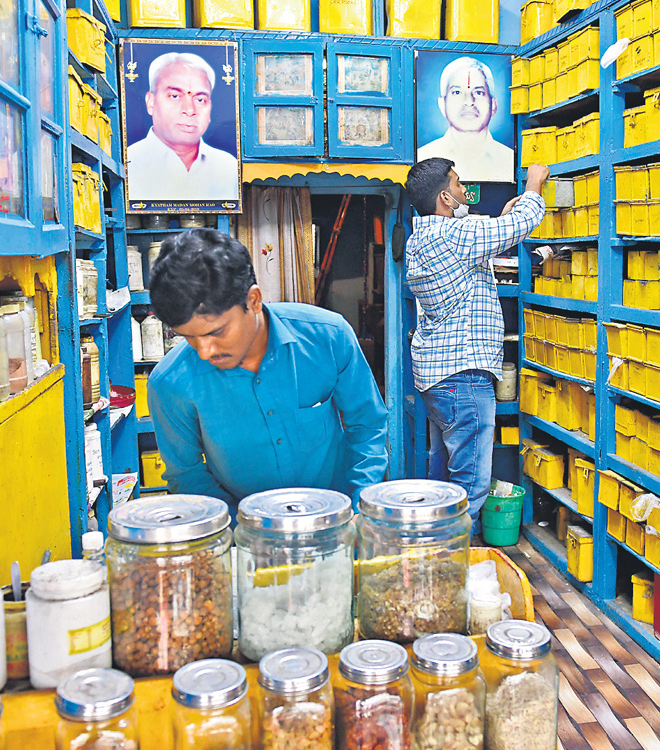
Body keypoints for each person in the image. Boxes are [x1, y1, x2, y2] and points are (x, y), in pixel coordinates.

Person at [147, 228, 389, 508]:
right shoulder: (170, 383)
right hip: (241, 535)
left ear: (253, 300)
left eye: (216, 332)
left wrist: (359, 504)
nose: (204, 351)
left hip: (337, 519)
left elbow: (368, 426)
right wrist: (245, 531)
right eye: (188, 336)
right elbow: (187, 475)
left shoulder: (328, 337)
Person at [404, 157, 550, 531]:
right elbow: (524, 223)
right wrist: (534, 184)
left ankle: (429, 552)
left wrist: (500, 219)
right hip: (464, 379)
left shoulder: (423, 236)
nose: (463, 190)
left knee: (444, 476)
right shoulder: (452, 236)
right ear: (444, 198)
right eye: (457, 184)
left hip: (439, 377)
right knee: (470, 487)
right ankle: (448, 567)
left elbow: (478, 243)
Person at [126, 51, 239, 202]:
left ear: (210, 108)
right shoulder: (130, 162)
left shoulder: (228, 166)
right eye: (175, 96)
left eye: (200, 99)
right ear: (150, 102)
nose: (190, 110)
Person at [416, 56, 515, 184]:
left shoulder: (510, 159)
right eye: (457, 92)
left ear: (493, 105)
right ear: (442, 104)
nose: (469, 102)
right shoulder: (424, 158)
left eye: (479, 93)